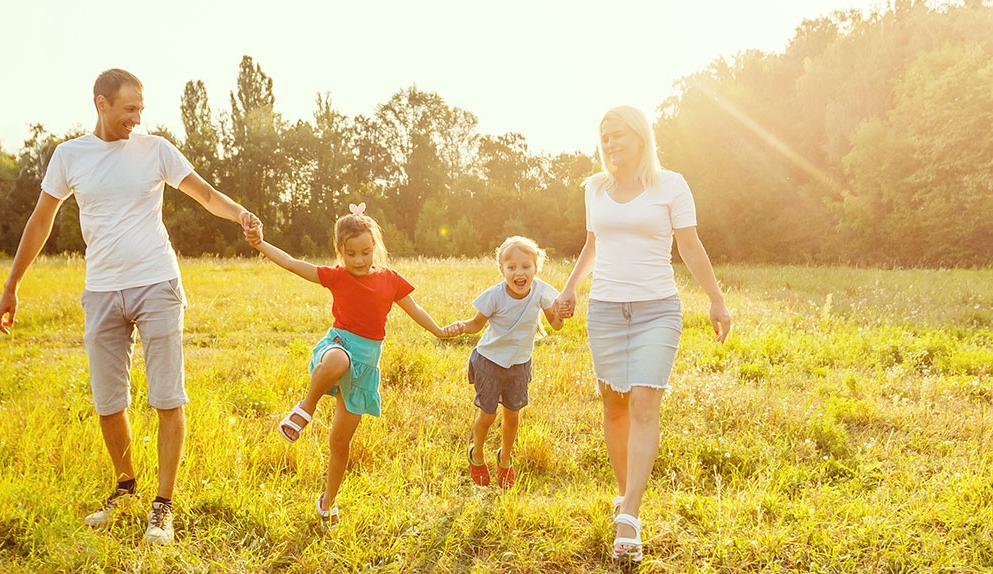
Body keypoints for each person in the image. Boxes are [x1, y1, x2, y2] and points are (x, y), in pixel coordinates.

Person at [0, 68, 260, 545]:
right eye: (128, 109)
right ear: (101, 104)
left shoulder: (155, 149)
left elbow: (205, 194)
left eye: (141, 109)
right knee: (108, 401)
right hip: (100, 292)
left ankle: (163, 506)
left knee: (167, 397)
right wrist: (12, 284)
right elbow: (40, 221)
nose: (137, 118)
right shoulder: (69, 155)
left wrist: (239, 213)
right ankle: (126, 490)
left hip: (156, 283)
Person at [553, 105, 732, 563]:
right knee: (614, 404)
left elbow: (689, 244)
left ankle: (629, 515)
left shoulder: (671, 185)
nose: (611, 144)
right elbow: (593, 245)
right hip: (607, 310)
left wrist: (716, 299)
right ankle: (626, 496)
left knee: (646, 402)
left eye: (619, 136)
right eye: (605, 137)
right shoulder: (595, 188)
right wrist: (570, 288)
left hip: (658, 309)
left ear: (640, 137)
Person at [245, 203, 451, 526]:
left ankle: (328, 502)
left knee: (340, 442)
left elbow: (416, 310)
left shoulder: (390, 280)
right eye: (351, 253)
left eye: (366, 252)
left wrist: (439, 330)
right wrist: (260, 244)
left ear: (375, 249)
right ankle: (305, 408)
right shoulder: (337, 277)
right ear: (340, 251)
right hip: (338, 347)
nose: (359, 260)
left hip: (366, 364)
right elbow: (292, 263)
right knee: (339, 360)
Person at [441, 236, 563, 489]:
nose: (520, 273)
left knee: (513, 416)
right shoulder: (494, 295)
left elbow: (557, 325)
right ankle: (477, 455)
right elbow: (476, 325)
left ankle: (504, 458)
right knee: (487, 415)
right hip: (489, 362)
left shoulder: (542, 291)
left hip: (519, 365)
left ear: (536, 268)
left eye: (526, 266)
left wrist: (561, 314)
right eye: (512, 267)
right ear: (502, 270)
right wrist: (460, 326)